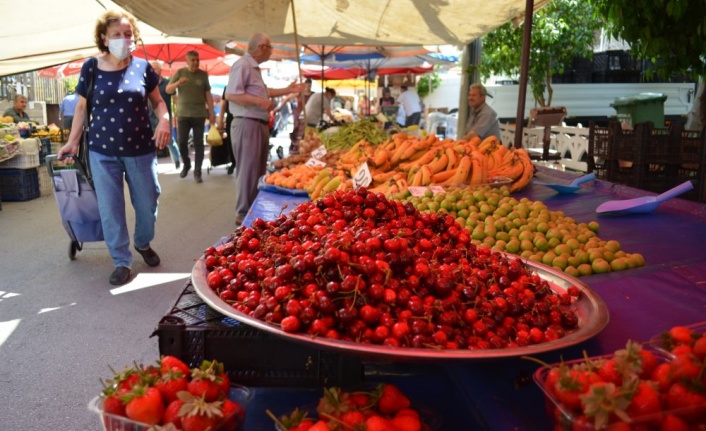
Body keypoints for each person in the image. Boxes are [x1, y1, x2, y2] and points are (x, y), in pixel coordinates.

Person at [56, 9, 171, 286]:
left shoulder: (143, 67)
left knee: (148, 202)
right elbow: (82, 107)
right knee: (110, 207)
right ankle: (121, 260)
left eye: (128, 34)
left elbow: (159, 102)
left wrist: (165, 120)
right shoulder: (92, 67)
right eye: (117, 34)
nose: (124, 39)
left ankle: (143, 242)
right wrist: (72, 141)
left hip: (141, 149)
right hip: (102, 151)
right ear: (104, 39)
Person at [224, 32, 301, 227]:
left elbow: (266, 93)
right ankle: (242, 213)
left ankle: (250, 211)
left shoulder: (254, 68)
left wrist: (288, 90)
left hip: (257, 123)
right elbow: (231, 94)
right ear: (261, 48)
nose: (271, 52)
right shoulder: (242, 65)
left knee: (256, 170)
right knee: (248, 171)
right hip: (246, 122)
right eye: (270, 48)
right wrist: (260, 102)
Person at [166, 50, 215, 183]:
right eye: (193, 60)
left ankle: (197, 171)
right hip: (183, 114)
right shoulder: (180, 73)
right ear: (187, 61)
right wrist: (178, 83)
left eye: (197, 60)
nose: (196, 62)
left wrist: (212, 113)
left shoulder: (203, 75)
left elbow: (208, 95)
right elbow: (168, 90)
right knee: (182, 142)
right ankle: (186, 164)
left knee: (199, 143)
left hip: (199, 114)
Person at [149, 60, 181, 170]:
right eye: (151, 68)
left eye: (155, 68)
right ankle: (152, 163)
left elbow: (175, 98)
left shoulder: (167, 83)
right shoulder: (147, 83)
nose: (152, 70)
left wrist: (177, 111)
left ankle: (177, 159)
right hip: (149, 116)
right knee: (150, 140)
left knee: (169, 141)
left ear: (160, 70)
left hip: (165, 116)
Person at [214, 88, 236, 174]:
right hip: (231, 117)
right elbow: (223, 104)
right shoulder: (228, 87)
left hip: (243, 118)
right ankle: (234, 162)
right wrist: (221, 120)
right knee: (230, 140)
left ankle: (237, 162)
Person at [289, 78, 313, 154]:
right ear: (304, 85)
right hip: (298, 115)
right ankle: (295, 147)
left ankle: (304, 149)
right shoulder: (299, 93)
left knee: (305, 132)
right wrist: (279, 108)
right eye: (307, 85)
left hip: (308, 116)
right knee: (297, 132)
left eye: (309, 85)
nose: (308, 87)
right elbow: (287, 99)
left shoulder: (313, 94)